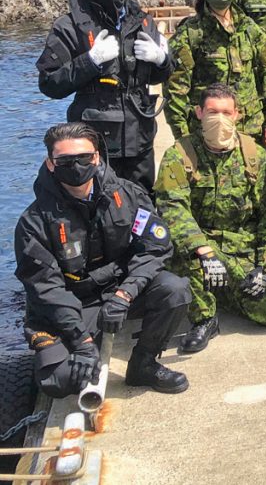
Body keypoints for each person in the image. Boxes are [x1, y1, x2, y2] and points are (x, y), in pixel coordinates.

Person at [14, 123, 190, 397]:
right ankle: (86, 346)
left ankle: (143, 363)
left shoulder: (128, 194)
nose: (76, 166)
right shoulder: (33, 223)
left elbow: (154, 247)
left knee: (175, 290)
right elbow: (46, 290)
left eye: (84, 158)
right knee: (59, 381)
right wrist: (81, 342)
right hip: (74, 301)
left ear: (96, 157)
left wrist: (125, 293)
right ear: (50, 164)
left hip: (119, 289)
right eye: (65, 160)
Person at [155, 85, 266, 353]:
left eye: (226, 112)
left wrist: (264, 266)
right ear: (198, 113)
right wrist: (203, 250)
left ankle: (225, 290)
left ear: (237, 115)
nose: (219, 119)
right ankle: (205, 318)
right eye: (212, 112)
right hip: (203, 242)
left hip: (242, 245)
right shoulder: (180, 154)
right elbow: (172, 208)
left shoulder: (254, 154)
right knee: (188, 255)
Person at [37, 0, 173, 191]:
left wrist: (161, 59)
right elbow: (49, 83)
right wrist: (90, 61)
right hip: (94, 141)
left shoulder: (143, 21)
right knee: (97, 204)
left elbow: (161, 73)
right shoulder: (68, 27)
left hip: (139, 135)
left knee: (141, 201)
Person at [165, 0, 266, 147]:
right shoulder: (191, 33)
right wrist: (182, 135)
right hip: (208, 131)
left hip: (249, 129)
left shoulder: (249, 28)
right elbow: (175, 87)